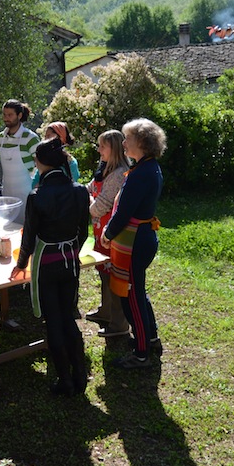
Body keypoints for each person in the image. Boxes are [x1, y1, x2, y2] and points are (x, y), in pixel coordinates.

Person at [10, 138, 90, 396]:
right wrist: (71, 249)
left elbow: (29, 237)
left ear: (41, 163)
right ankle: (80, 376)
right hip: (70, 260)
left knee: (53, 320)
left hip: (46, 262)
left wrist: (21, 264)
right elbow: (83, 231)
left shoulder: (37, 195)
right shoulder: (79, 191)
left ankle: (65, 380)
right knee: (68, 316)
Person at [101, 118, 166, 369]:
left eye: (128, 138)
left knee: (133, 296)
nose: (124, 142)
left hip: (136, 240)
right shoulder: (147, 167)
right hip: (142, 237)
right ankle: (149, 338)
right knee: (137, 290)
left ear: (142, 142)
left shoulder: (142, 172)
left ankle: (141, 353)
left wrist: (107, 234)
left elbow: (124, 212)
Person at [86, 130, 131, 338]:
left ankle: (119, 323)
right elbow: (89, 189)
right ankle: (106, 312)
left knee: (115, 278)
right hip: (101, 235)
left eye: (102, 146)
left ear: (113, 149)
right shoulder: (105, 169)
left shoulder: (119, 174)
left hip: (112, 236)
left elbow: (97, 208)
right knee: (104, 273)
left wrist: (86, 201)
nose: (98, 150)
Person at [0, 99, 40, 224]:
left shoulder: (30, 138)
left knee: (27, 227)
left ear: (19, 115)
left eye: (10, 115)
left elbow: (40, 165)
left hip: (27, 192)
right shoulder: (0, 138)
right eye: (4, 115)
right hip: (8, 191)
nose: (6, 118)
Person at [31, 121, 80, 188]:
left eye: (48, 136)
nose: (46, 139)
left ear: (60, 137)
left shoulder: (71, 163)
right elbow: (34, 183)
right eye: (45, 136)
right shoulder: (45, 159)